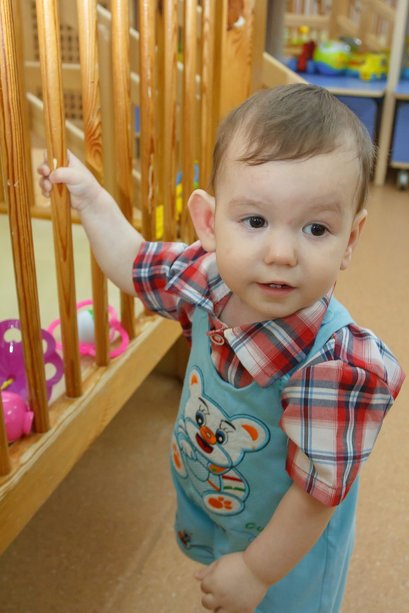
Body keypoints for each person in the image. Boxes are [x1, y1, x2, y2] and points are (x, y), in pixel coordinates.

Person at [38, 84, 405, 613]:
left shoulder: (335, 366)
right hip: (224, 499)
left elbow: (314, 498)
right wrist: (91, 200)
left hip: (288, 549)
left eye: (316, 228)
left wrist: (257, 571)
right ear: (209, 223)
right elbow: (132, 261)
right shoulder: (205, 279)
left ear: (349, 239)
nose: (281, 253)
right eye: (255, 221)